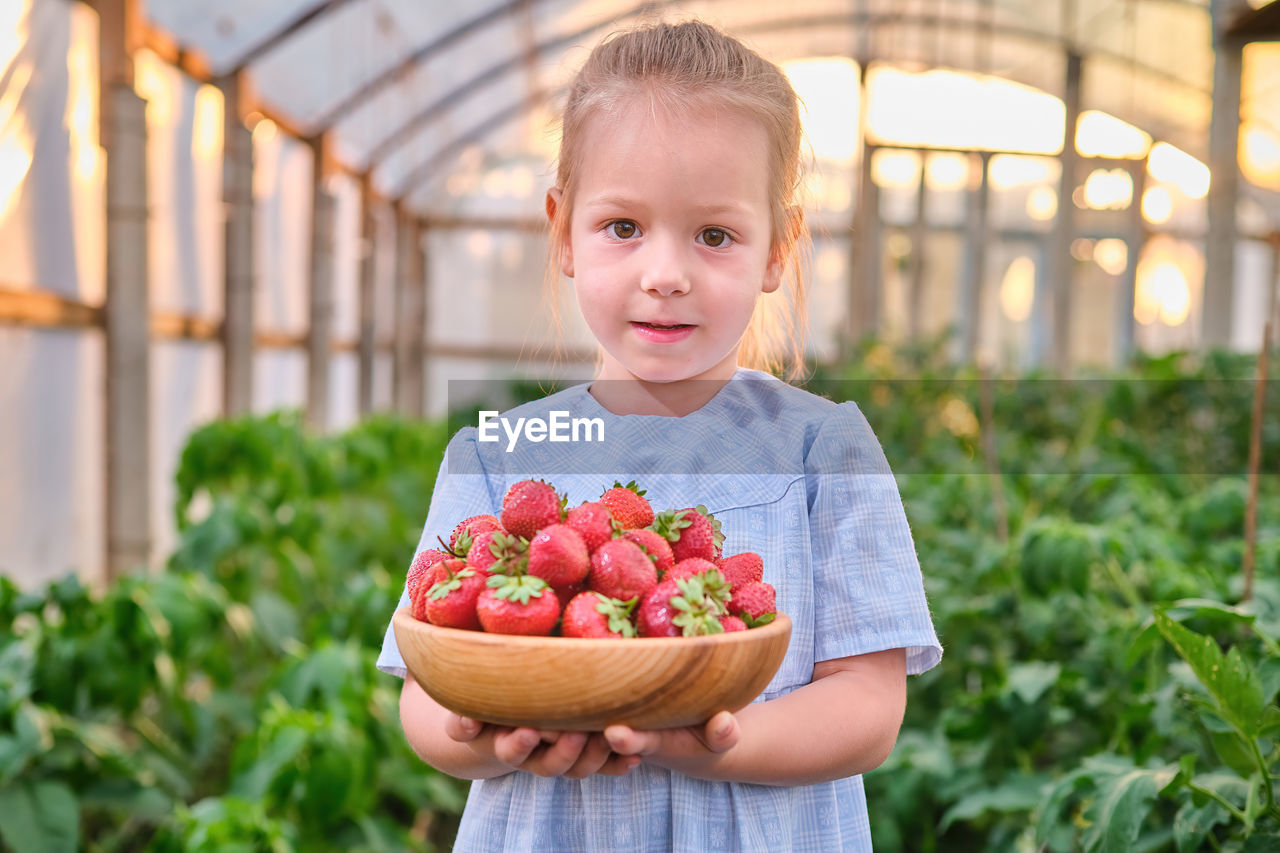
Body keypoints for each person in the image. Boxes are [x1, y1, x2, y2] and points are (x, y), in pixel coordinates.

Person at [377, 19, 942, 851]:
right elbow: (423, 686)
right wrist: (483, 736)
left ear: (777, 249)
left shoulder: (825, 452)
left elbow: (868, 704)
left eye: (714, 235)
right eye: (623, 227)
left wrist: (708, 749)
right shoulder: (499, 458)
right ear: (563, 229)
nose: (666, 273)